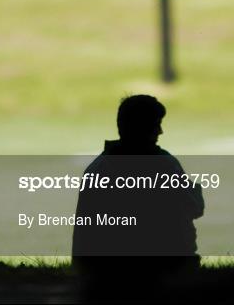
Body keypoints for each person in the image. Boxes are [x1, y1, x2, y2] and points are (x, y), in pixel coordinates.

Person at [72, 95, 204, 297]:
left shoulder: (97, 168)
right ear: (145, 128)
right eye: (156, 125)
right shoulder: (164, 165)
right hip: (164, 272)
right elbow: (195, 207)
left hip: (104, 276)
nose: (160, 131)